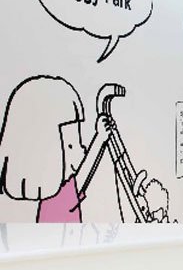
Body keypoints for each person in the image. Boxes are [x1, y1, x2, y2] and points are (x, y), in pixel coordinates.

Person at [0, 76, 164, 223]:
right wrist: (99, 138)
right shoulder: (59, 201)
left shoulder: (52, 201)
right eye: (71, 146)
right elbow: (83, 176)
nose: (82, 149)